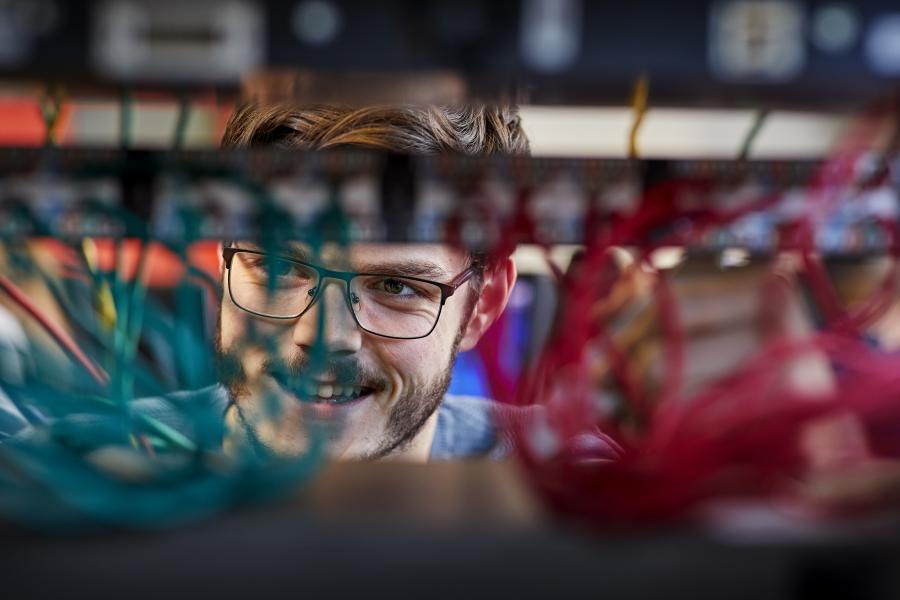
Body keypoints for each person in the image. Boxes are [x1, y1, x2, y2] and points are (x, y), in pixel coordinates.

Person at [213, 104, 529, 461]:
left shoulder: (571, 482)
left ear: (480, 307)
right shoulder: (136, 455)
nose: (325, 338)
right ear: (222, 256)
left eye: (395, 286)